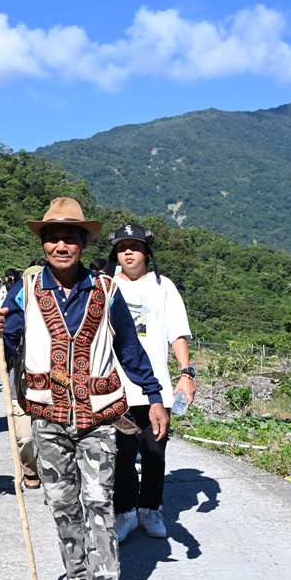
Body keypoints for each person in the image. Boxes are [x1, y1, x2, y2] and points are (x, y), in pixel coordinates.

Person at [0, 197, 168, 580]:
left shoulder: (107, 290)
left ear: (84, 242)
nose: (61, 245)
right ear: (43, 243)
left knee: (100, 507)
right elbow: (0, 350)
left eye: (70, 237)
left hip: (100, 418)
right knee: (63, 506)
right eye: (53, 237)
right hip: (46, 417)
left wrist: (156, 396)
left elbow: (129, 348)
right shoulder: (24, 290)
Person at [108, 224, 196, 542]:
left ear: (147, 251)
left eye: (135, 245)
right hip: (114, 388)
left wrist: (186, 374)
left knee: (154, 452)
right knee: (121, 455)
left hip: (155, 388)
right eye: (122, 247)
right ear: (115, 253)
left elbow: (177, 333)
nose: (128, 251)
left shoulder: (164, 287)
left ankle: (151, 507)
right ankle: (125, 512)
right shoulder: (105, 286)